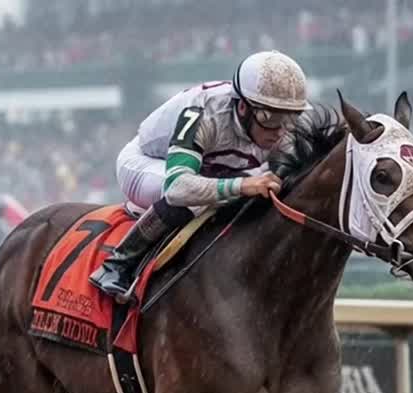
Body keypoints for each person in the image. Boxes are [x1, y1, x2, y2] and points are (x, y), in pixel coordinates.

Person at [89, 50, 310, 301]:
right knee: (195, 196)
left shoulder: (273, 126)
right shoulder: (202, 113)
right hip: (148, 164)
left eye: (289, 119)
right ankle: (118, 265)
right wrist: (243, 184)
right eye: (270, 118)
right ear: (242, 107)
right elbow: (177, 187)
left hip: (208, 168)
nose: (280, 132)